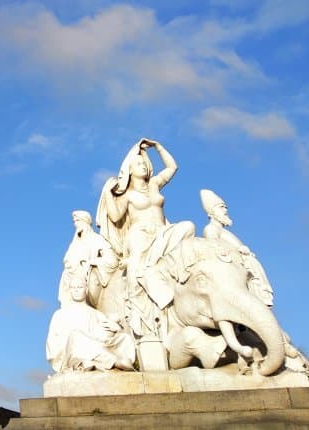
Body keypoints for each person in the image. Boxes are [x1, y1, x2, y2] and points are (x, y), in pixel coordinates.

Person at [96, 138, 194, 335]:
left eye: (143, 162)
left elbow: (172, 167)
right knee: (137, 266)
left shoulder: (154, 185)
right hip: (139, 233)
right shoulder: (126, 195)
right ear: (129, 171)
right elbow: (115, 216)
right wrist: (107, 193)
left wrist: (158, 147)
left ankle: (184, 275)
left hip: (162, 231)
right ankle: (138, 312)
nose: (142, 165)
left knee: (188, 226)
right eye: (137, 163)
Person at [200, 188, 273, 306]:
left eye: (225, 207)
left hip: (250, 273)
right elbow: (213, 247)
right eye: (221, 207)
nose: (225, 210)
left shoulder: (223, 231)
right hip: (240, 273)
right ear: (211, 212)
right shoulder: (211, 229)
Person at [46, 278, 136, 372]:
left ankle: (103, 361)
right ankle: (114, 362)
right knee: (76, 336)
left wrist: (116, 328)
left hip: (99, 344)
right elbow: (52, 342)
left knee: (125, 338)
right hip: (73, 349)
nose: (76, 290)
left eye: (80, 287)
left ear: (86, 290)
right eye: (73, 287)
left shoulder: (97, 314)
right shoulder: (60, 314)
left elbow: (106, 334)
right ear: (70, 291)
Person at [58, 210, 118, 310]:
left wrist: (92, 262)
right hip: (69, 280)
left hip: (87, 279)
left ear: (86, 222)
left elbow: (112, 259)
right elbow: (67, 260)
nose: (76, 224)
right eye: (75, 222)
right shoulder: (75, 243)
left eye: (79, 221)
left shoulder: (96, 239)